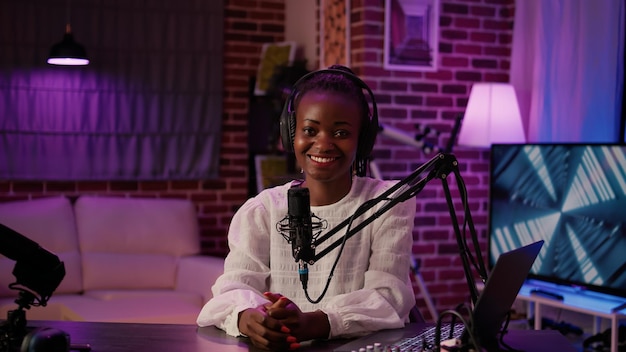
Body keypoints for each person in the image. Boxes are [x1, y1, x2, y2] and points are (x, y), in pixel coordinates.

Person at [197, 65, 416, 351]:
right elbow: (232, 289)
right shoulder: (264, 210)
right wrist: (249, 318)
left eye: (340, 132)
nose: (323, 143)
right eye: (310, 130)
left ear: (362, 141)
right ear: (291, 135)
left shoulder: (386, 203)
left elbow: (389, 297)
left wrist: (314, 323)